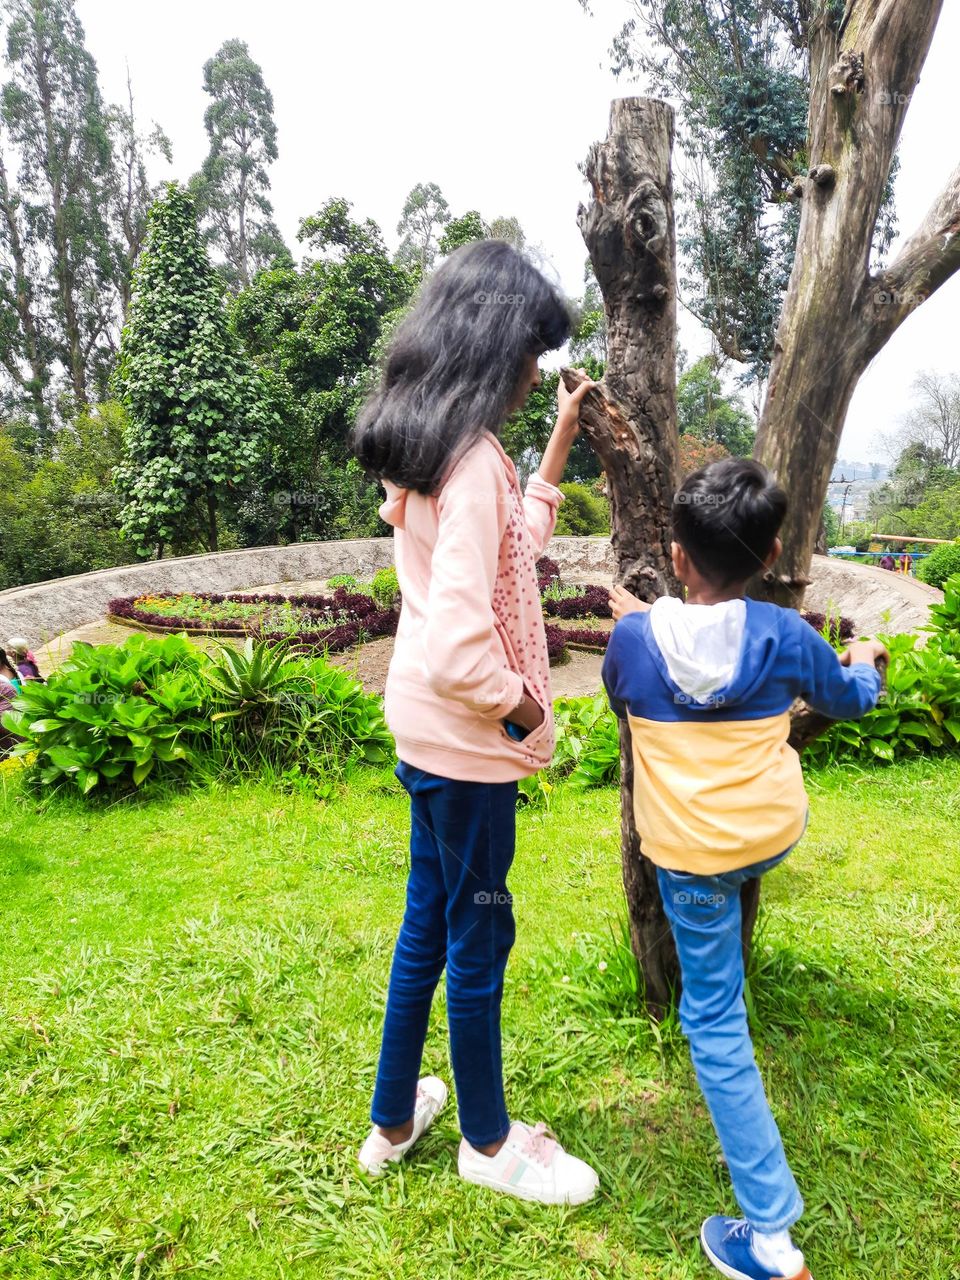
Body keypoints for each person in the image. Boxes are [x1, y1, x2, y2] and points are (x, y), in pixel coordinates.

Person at [350, 240, 600, 1204]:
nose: (539, 373)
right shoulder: (473, 464)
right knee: (480, 934)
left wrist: (556, 450)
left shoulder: (431, 453)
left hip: (422, 737)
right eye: (534, 353)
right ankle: (490, 1143)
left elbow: (505, 554)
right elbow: (465, 639)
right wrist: (526, 705)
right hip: (465, 749)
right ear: (495, 347)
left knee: (429, 924)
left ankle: (393, 1119)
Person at [602, 459, 887, 1280]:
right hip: (766, 835)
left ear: (678, 555)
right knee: (734, 911)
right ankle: (764, 1232)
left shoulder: (633, 638)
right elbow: (850, 698)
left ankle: (771, 1238)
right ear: (768, 558)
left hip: (689, 859)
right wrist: (863, 655)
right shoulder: (787, 635)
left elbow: (629, 690)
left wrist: (644, 621)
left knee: (714, 1022)